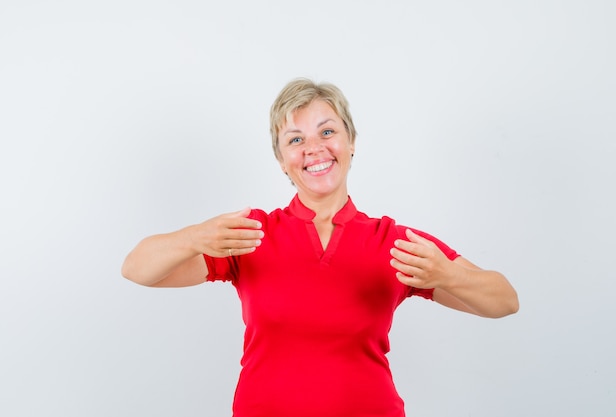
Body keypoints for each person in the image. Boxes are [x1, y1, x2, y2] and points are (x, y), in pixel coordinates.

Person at [121, 78, 519, 417]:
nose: (314, 148)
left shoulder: (394, 242)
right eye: (296, 139)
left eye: (327, 132)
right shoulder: (251, 235)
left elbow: (504, 301)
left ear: (351, 143)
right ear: (282, 161)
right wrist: (194, 237)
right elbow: (137, 269)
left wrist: (446, 275)